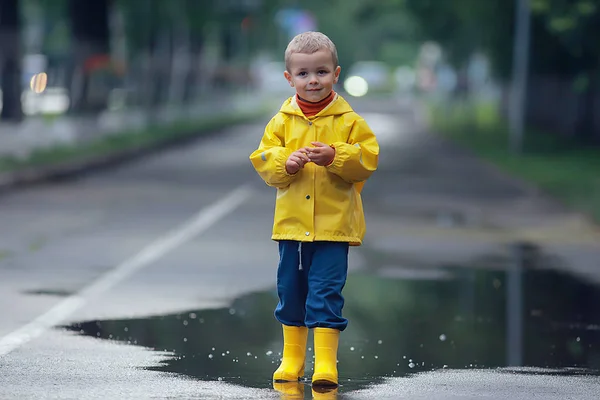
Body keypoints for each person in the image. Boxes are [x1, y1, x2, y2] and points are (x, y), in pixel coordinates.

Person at [249, 31, 379, 387]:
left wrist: (337, 155)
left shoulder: (349, 120)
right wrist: (285, 164)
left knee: (325, 292)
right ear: (289, 78)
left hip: (335, 227)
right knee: (290, 291)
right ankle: (292, 359)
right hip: (291, 227)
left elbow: (367, 160)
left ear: (336, 74)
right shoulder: (281, 121)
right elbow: (264, 158)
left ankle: (325, 363)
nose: (313, 81)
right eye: (304, 74)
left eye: (321, 72)